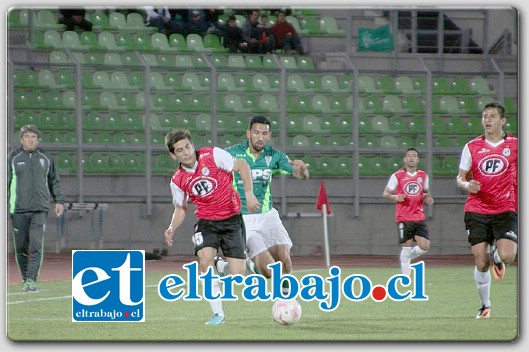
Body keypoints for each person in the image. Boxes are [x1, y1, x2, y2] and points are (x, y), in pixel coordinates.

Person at [163, 129, 260, 325]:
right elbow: (181, 208)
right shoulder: (177, 180)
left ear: (193, 145)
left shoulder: (212, 155)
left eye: (188, 146)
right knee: (204, 262)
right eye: (180, 150)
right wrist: (172, 227)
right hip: (206, 222)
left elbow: (242, 166)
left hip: (231, 219)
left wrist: (249, 194)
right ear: (173, 155)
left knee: (238, 276)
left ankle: (222, 265)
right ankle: (218, 314)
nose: (186, 152)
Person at [216, 116, 309, 294]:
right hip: (243, 220)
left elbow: (301, 176)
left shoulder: (274, 156)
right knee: (270, 271)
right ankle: (243, 266)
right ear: (248, 133)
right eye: (256, 133)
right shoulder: (232, 154)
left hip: (268, 217)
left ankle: (285, 304)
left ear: (269, 136)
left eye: (264, 133)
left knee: (285, 265)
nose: (260, 137)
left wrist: (303, 170)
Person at [456, 101, 518, 319]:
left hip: (505, 207)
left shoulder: (516, 145)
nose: (487, 120)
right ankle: (485, 305)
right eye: (484, 116)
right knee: (481, 263)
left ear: (502, 121)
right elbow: (460, 177)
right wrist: (467, 185)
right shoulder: (471, 146)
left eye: (492, 116)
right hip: (477, 209)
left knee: (508, 256)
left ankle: (498, 255)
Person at [7, 125, 65, 292]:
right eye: (27, 136)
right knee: (21, 247)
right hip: (18, 209)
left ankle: (32, 280)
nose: (31, 139)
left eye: (33, 136)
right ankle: (25, 279)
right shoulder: (13, 158)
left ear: (38, 140)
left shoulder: (45, 158)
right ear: (21, 140)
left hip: (40, 209)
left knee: (36, 245)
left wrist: (59, 200)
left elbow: (54, 180)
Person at [383, 147, 433, 276]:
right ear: (404, 159)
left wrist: (428, 198)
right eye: (409, 156)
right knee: (407, 246)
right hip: (404, 217)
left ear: (418, 159)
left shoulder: (423, 175)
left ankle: (406, 258)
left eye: (414, 155)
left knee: (425, 246)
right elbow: (386, 193)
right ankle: (405, 277)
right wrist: (395, 197)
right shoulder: (397, 176)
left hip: (419, 216)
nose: (412, 158)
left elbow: (426, 192)